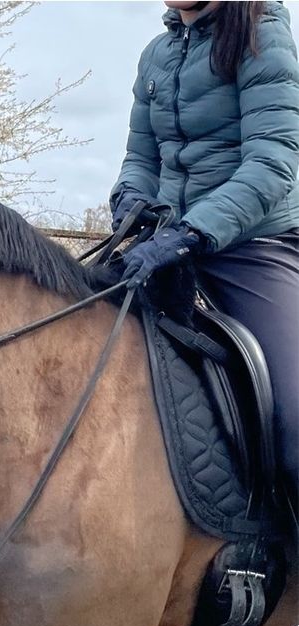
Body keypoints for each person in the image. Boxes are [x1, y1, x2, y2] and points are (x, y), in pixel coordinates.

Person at [110, 0, 299, 515]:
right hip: (162, 247)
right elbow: (141, 158)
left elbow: (272, 162)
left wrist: (191, 233)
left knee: (295, 417)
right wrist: (130, 203)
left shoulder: (262, 35)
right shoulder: (157, 53)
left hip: (252, 249)